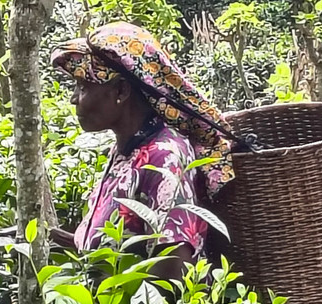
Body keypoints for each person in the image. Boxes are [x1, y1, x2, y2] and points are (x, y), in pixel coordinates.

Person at [51, 22, 237, 281]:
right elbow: (121, 248)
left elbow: (173, 276)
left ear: (121, 91)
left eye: (83, 87)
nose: (75, 98)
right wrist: (50, 240)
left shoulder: (164, 157)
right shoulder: (125, 149)